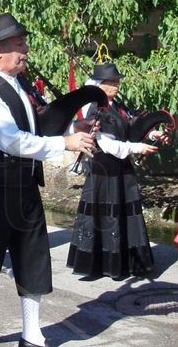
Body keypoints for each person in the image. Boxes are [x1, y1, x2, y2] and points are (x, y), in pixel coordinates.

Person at [0, 13, 97, 347]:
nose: (25, 50)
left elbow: (35, 127)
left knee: (33, 259)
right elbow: (10, 140)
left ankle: (32, 335)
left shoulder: (17, 87)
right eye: (19, 45)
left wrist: (75, 124)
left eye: (24, 43)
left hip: (24, 186)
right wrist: (66, 143)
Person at [66, 62, 165, 279]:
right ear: (100, 85)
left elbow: (131, 130)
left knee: (124, 214)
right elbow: (109, 145)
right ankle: (105, 266)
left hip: (122, 169)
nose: (116, 86)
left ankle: (127, 263)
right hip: (105, 171)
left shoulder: (118, 106)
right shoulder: (96, 110)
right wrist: (138, 148)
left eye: (117, 82)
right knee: (107, 216)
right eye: (111, 82)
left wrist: (152, 135)